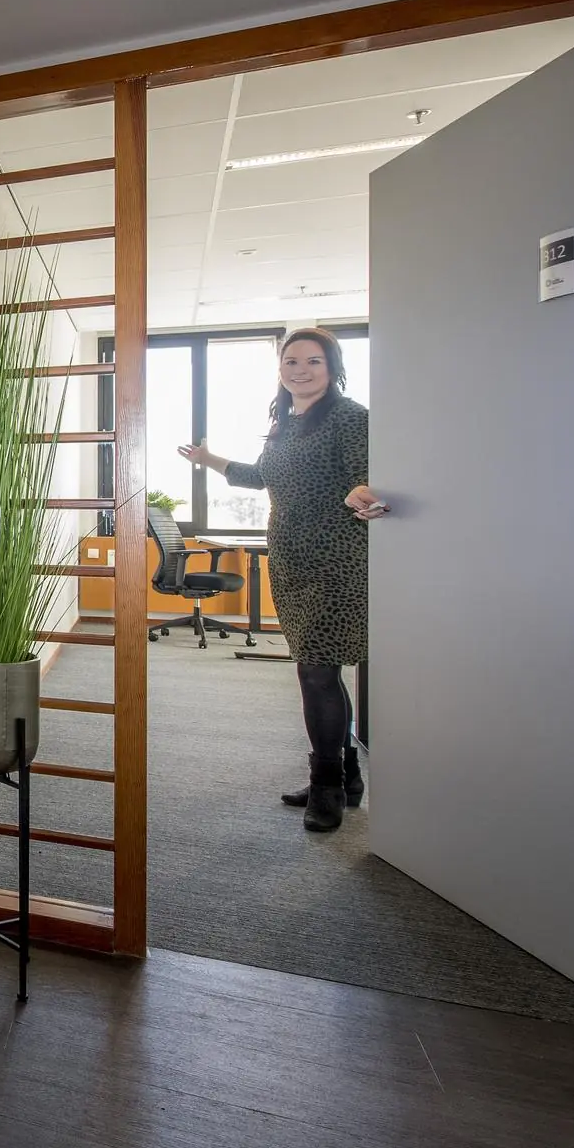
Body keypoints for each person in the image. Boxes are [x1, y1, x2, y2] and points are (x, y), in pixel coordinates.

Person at [179, 328, 388, 833]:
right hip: (291, 561)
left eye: (313, 361)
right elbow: (262, 477)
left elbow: (370, 475)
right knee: (324, 672)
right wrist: (210, 461)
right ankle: (349, 776)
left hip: (337, 563)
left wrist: (366, 493)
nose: (300, 369)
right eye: (291, 360)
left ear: (332, 368)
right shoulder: (286, 423)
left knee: (315, 673)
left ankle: (327, 788)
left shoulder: (350, 418)